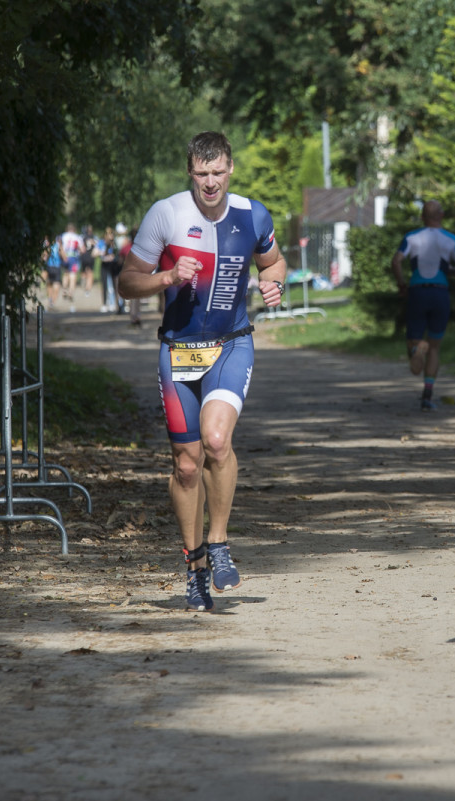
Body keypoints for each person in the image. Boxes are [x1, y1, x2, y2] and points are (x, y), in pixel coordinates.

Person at [118, 131, 287, 612]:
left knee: (216, 442)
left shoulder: (253, 214)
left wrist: (272, 285)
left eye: (218, 172)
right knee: (186, 464)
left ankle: (219, 542)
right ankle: (193, 566)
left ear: (231, 167)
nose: (210, 182)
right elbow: (127, 282)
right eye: (201, 173)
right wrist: (167, 277)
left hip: (232, 345)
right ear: (189, 172)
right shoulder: (166, 214)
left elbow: (273, 264)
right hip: (177, 351)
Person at [390, 200, 455, 411]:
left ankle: (417, 347)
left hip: (417, 291)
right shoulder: (451, 240)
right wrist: (448, 272)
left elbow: (396, 261)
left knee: (413, 341)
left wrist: (401, 285)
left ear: (423, 217)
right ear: (441, 216)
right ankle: (427, 396)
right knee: (435, 346)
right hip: (440, 293)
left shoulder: (412, 237)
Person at [57, 223, 85, 310]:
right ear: (74, 229)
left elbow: (59, 247)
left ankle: (65, 289)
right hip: (73, 257)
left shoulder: (62, 236)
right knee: (73, 275)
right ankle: (71, 292)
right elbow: (82, 249)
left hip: (65, 256)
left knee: (65, 273)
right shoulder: (77, 237)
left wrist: (63, 256)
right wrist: (79, 252)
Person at [80, 224, 98, 298]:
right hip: (90, 257)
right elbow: (98, 246)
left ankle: (85, 285)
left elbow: (81, 248)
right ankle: (88, 288)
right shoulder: (94, 237)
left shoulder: (83, 237)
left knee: (85, 272)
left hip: (85, 256)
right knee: (90, 272)